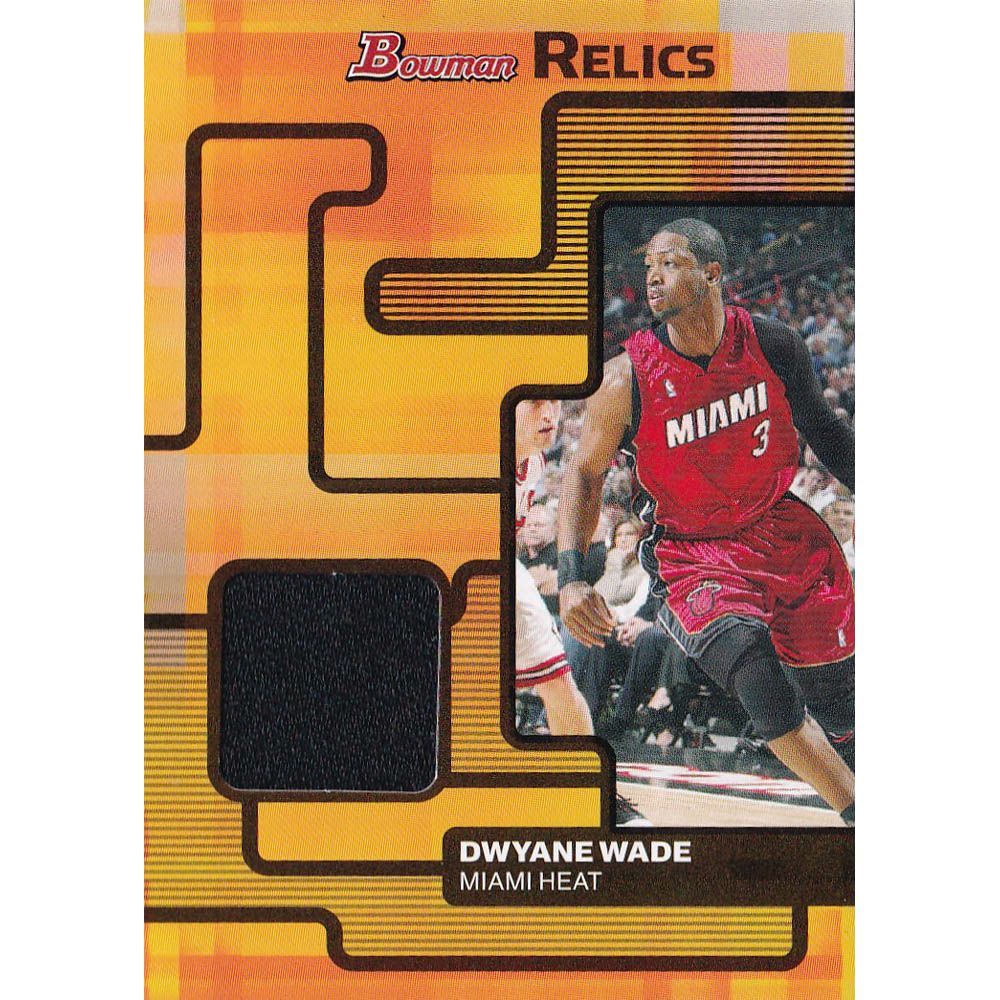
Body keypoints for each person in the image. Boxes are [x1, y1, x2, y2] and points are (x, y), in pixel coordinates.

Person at [557, 219, 856, 825]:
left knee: (841, 703)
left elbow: (825, 432)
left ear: (712, 273)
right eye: (648, 268)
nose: (653, 278)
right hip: (692, 554)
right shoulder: (625, 378)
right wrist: (571, 575)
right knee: (757, 677)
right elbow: (584, 474)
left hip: (782, 529)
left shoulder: (772, 343)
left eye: (669, 264)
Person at [514, 399, 649, 826]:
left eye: (554, 402)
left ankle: (590, 790)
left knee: (558, 680)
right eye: (535, 403)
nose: (549, 414)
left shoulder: (534, 462)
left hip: (503, 570)